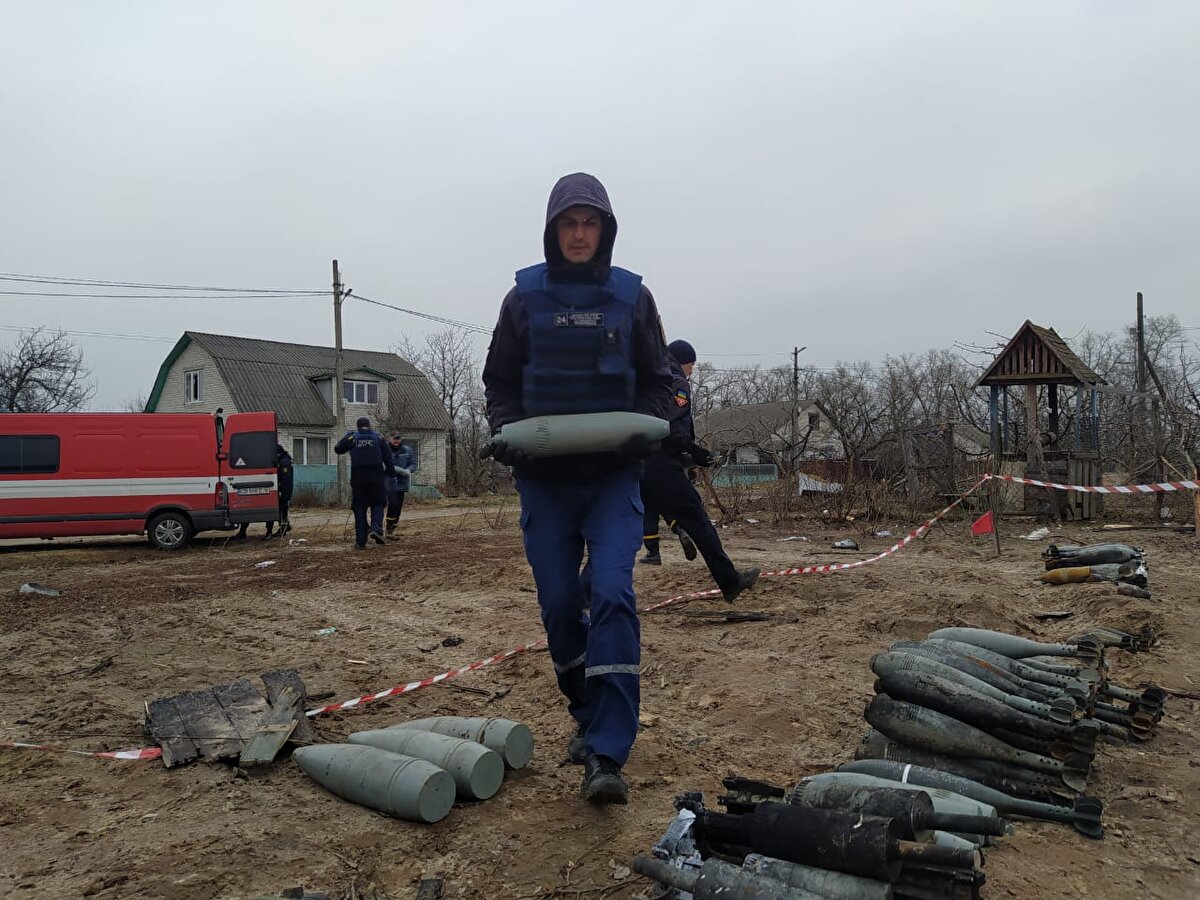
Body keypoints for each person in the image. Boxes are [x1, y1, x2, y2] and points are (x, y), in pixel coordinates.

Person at [481, 172, 674, 805]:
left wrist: (649, 429)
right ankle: (587, 714)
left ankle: (607, 753)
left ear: (606, 230)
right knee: (563, 607)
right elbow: (500, 382)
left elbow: (658, 379)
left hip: (613, 479)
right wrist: (508, 434)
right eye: (570, 223)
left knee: (615, 593)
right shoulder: (522, 302)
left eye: (591, 223)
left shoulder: (633, 299)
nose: (581, 234)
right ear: (552, 229)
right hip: (545, 484)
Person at [640, 339, 760, 602]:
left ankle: (586, 593)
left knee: (627, 527)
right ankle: (730, 582)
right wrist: (693, 451)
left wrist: (689, 456)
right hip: (662, 464)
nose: (692, 371)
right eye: (692, 365)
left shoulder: (651, 377)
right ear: (684, 362)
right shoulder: (676, 382)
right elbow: (668, 425)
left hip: (640, 462)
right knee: (698, 520)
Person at [334, 416, 395, 550]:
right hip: (376, 477)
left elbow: (338, 449)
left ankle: (360, 542)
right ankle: (376, 529)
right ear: (369, 425)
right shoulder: (378, 438)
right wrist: (392, 474)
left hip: (358, 478)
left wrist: (347, 436)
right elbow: (388, 458)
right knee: (378, 504)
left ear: (358, 426)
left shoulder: (353, 438)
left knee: (359, 508)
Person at [234, 443, 294, 541]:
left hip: (282, 491)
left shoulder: (284, 463)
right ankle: (284, 527)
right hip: (279, 490)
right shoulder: (282, 460)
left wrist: (282, 492)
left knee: (281, 509)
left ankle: (280, 528)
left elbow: (285, 481)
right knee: (280, 510)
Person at [385, 434, 416, 537]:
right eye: (394, 438)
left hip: (402, 482)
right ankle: (384, 528)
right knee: (392, 504)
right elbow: (381, 463)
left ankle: (391, 530)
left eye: (398, 438)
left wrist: (408, 470)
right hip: (388, 481)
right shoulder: (384, 448)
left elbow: (413, 464)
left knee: (397, 507)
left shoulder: (407, 450)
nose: (396, 440)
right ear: (390, 438)